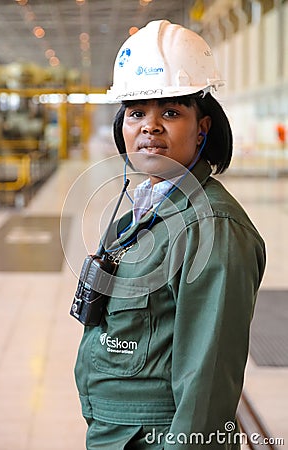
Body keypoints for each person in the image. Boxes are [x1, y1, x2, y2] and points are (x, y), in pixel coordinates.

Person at [74, 20, 266, 449]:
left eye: (171, 112)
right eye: (137, 112)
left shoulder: (212, 228)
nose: (150, 126)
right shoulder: (144, 211)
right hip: (117, 431)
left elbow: (208, 384)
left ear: (203, 127)